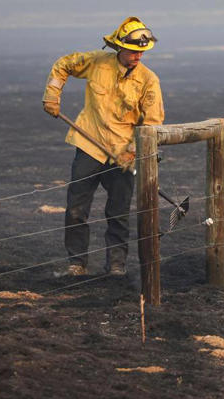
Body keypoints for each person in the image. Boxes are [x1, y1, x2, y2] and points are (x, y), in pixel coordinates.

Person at [42, 16, 164, 277]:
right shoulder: (96, 62)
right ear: (120, 47)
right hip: (89, 144)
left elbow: (152, 123)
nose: (138, 57)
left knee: (118, 213)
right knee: (76, 209)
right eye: (134, 51)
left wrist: (131, 151)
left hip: (123, 154)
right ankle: (77, 264)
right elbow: (63, 65)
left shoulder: (149, 81)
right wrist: (53, 93)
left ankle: (117, 266)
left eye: (142, 52)